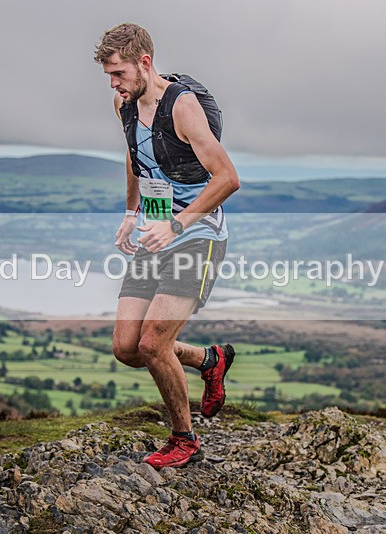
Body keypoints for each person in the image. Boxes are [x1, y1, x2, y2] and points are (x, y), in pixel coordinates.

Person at [93, 23, 241, 469]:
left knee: (154, 343)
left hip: (197, 235)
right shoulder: (123, 103)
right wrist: (131, 212)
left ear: (144, 62)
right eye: (108, 76)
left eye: (118, 73)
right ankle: (209, 360)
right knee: (127, 347)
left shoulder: (183, 108)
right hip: (156, 229)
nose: (114, 84)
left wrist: (177, 226)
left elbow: (228, 178)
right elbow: (134, 155)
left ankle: (184, 439)